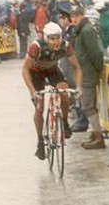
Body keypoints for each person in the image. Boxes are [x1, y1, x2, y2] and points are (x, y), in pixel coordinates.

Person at [22, 22, 82, 160]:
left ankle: (65, 122)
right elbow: (25, 70)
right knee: (40, 106)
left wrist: (78, 87)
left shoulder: (65, 46)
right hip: (35, 73)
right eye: (52, 39)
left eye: (57, 38)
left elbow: (76, 67)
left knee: (64, 94)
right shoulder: (36, 47)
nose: (55, 42)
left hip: (52, 70)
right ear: (46, 38)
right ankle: (40, 142)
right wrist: (33, 92)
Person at [69, 5, 106, 150]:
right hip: (84, 73)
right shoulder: (81, 30)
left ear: (82, 15)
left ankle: (98, 136)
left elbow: (95, 53)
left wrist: (98, 69)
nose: (74, 19)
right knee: (87, 105)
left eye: (76, 16)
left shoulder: (86, 30)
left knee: (88, 106)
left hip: (88, 73)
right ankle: (95, 133)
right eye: (72, 16)